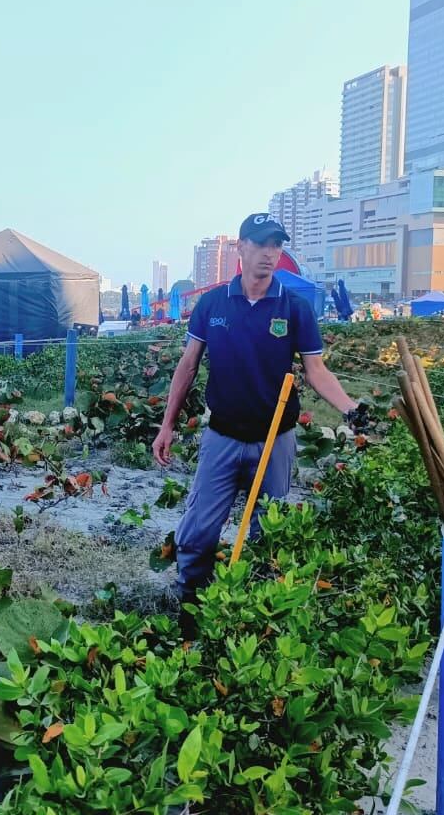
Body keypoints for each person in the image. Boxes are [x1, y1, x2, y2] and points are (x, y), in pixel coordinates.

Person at [152, 212, 370, 631]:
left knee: (269, 536)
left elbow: (317, 371)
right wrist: (167, 425)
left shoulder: (295, 308)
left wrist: (350, 409)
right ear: (242, 248)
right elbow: (188, 365)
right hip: (222, 436)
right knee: (198, 532)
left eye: (277, 244)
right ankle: (190, 610)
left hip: (276, 441)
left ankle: (256, 620)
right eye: (261, 243)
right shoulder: (213, 304)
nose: (270, 252)